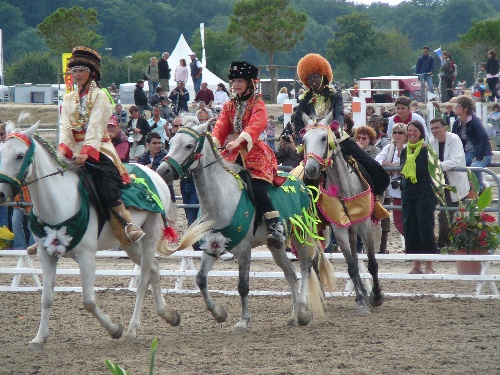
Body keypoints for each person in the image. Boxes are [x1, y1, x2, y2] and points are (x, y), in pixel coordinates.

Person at [60, 46, 143, 245]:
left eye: (81, 70)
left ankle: (127, 223)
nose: (76, 74)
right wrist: (64, 149)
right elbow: (64, 126)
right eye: (74, 70)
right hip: (72, 149)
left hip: (99, 148)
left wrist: (86, 152)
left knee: (107, 186)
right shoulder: (68, 98)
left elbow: (96, 127)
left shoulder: (101, 97)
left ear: (92, 73)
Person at [212, 61, 284, 248]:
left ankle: (274, 226)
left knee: (257, 187)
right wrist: (212, 144)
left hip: (254, 152)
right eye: (234, 81)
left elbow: (256, 125)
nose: (235, 85)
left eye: (240, 81)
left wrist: (239, 140)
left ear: (250, 83)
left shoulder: (258, 104)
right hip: (231, 153)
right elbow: (220, 127)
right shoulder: (229, 105)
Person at [400, 120, 438, 274]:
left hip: (425, 192)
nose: (412, 133)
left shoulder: (427, 150)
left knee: (425, 227)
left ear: (421, 132)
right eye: (409, 131)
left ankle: (429, 265)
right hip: (408, 192)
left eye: (415, 130)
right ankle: (416, 265)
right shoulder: (405, 151)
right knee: (410, 228)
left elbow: (434, 172)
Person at [429, 118, 469, 249]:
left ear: (445, 127)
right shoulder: (431, 141)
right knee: (440, 214)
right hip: (438, 182)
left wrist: (436, 165)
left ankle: (442, 244)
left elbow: (455, 161)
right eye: (432, 128)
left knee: (447, 215)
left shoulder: (455, 139)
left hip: (453, 183)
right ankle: (440, 243)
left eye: (437, 128)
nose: (434, 131)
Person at [294, 53, 344, 142]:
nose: (312, 79)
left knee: (351, 145)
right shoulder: (304, 99)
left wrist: (336, 128)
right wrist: (301, 138)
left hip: (333, 135)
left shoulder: (336, 96)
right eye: (309, 78)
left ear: (323, 76)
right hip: (311, 138)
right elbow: (298, 122)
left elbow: (339, 114)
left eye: (315, 76)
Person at [375, 123, 407, 250]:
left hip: (408, 188)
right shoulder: (389, 147)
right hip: (394, 189)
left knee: (409, 220)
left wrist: (392, 166)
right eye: (395, 133)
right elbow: (377, 161)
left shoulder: (410, 147)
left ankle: (413, 245)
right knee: (398, 222)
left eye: (400, 132)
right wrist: (392, 165)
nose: (397, 135)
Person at [452, 95, 492, 192]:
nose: (455, 108)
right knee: (455, 167)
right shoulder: (457, 122)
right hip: (467, 154)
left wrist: (479, 156)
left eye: (458, 106)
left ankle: (480, 189)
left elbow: (484, 137)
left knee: (474, 167)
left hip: (483, 153)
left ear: (465, 109)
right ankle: (462, 190)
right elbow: (453, 139)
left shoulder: (474, 121)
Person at [171, 116, 199, 246]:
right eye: (175, 126)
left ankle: (197, 244)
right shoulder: (174, 142)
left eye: (180, 126)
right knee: (189, 213)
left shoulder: (194, 142)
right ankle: (196, 243)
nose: (178, 129)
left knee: (193, 213)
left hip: (195, 181)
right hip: (184, 181)